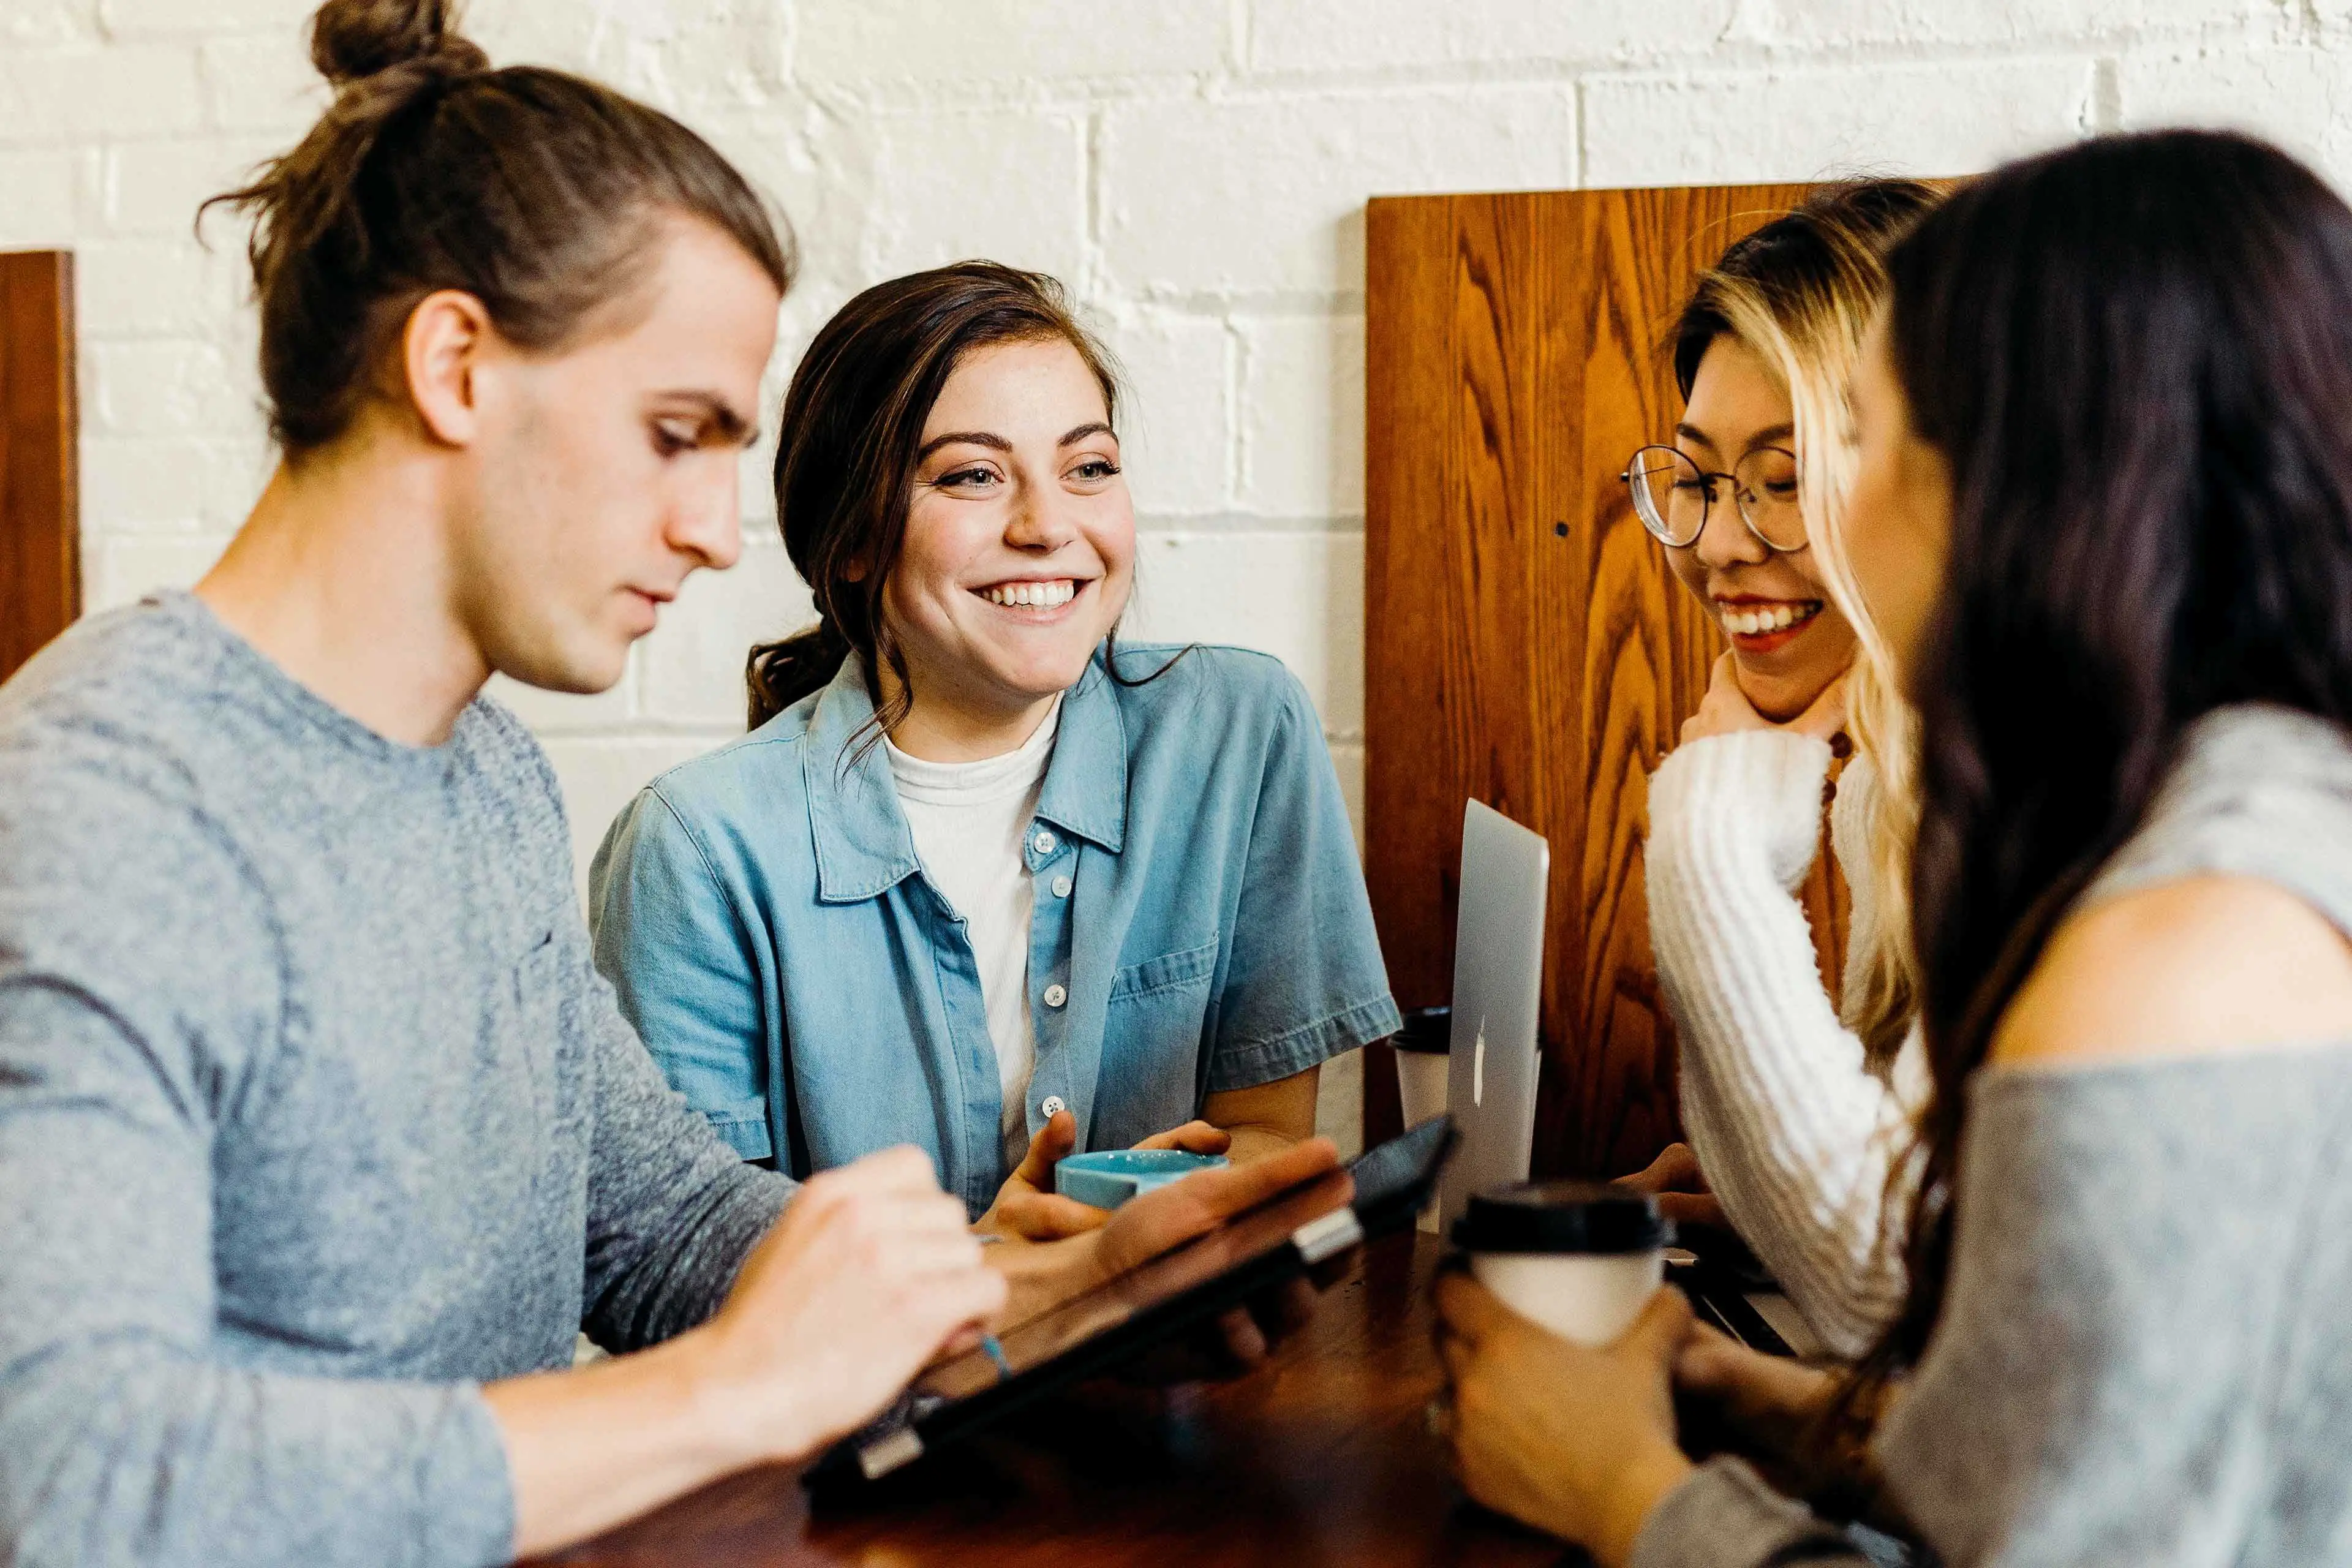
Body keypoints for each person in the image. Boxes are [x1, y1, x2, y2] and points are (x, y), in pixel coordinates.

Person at [0, 5, 1341, 1563]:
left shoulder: (479, 772)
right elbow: (69, 1475)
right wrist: (733, 1389)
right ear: (455, 366)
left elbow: (657, 1223)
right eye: (674, 434)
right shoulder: (98, 806)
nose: (719, 531)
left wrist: (1034, 1299)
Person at [1438, 127, 2352, 1566]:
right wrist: (1793, 1417)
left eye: (1868, 437)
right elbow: (2078, 1450)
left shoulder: (2179, 946)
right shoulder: (2236, 815)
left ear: (2034, 481)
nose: (1771, 532)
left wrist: (1626, 1492)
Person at [589, 260, 1400, 1236]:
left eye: (1088, 467)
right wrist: (1001, 1269)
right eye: (973, 475)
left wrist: (1146, 1213)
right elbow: (695, 1269)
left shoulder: (1238, 733)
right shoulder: (695, 850)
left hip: (1174, 1368)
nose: (1048, 525)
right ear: (850, 540)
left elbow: (1267, 1138)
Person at [1629, 180, 1940, 1358]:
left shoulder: (2031, 793)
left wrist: (1708, 841)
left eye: (1784, 475)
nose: (1715, 542)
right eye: (1702, 478)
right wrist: (1761, 1193)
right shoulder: (1890, 784)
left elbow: (1887, 1293)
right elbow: (1923, 1244)